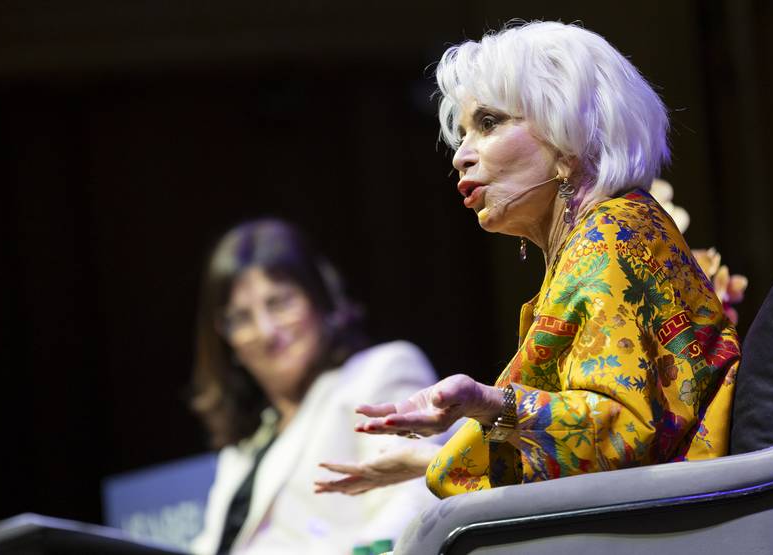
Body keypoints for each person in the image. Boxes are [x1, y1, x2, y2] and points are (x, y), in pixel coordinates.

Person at [316, 21, 740, 499]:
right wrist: (430, 458)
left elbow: (621, 429)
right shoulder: (606, 235)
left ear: (569, 141)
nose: (461, 156)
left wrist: (488, 403)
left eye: (489, 123)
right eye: (463, 133)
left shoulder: (613, 239)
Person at [188, 219, 437, 554]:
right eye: (242, 318)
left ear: (319, 298)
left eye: (279, 302)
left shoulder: (380, 371)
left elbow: (412, 504)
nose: (266, 331)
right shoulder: (246, 444)